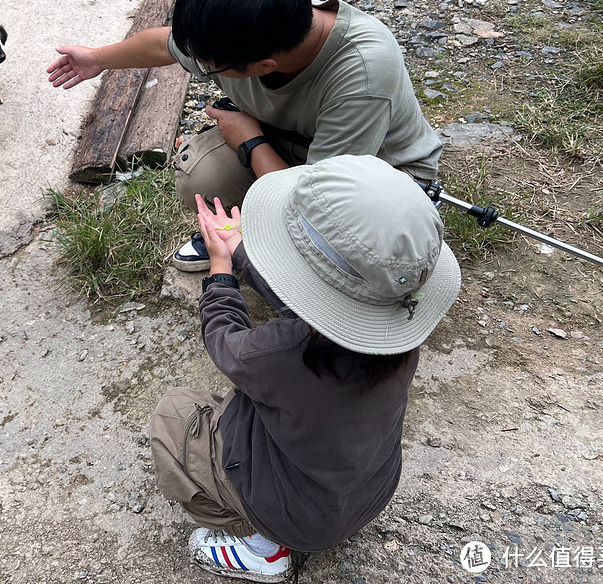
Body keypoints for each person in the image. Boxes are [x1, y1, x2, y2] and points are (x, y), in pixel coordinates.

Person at [149, 154, 461, 582]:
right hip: (368, 495)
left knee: (174, 412)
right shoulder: (400, 341)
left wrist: (221, 271)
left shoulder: (281, 353)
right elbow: (330, 305)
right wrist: (241, 253)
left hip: (295, 518)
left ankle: (261, 548)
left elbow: (224, 341)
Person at [45, 0, 443, 272]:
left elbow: (320, 202)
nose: (198, 66)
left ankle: (264, 248)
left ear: (264, 66)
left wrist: (250, 142)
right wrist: (96, 59)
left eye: (207, 67)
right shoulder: (242, 32)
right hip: (290, 145)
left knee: (329, 245)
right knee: (201, 176)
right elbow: (161, 44)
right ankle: (256, 230)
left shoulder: (363, 74)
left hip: (375, 175)